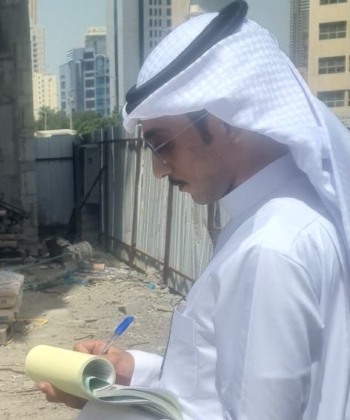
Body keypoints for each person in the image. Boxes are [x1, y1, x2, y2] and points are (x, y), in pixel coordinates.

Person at [38, 1, 350, 419]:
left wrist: (107, 407)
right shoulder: (281, 220)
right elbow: (220, 386)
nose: (158, 169)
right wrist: (133, 372)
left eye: (162, 144)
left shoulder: (270, 248)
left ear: (228, 122)